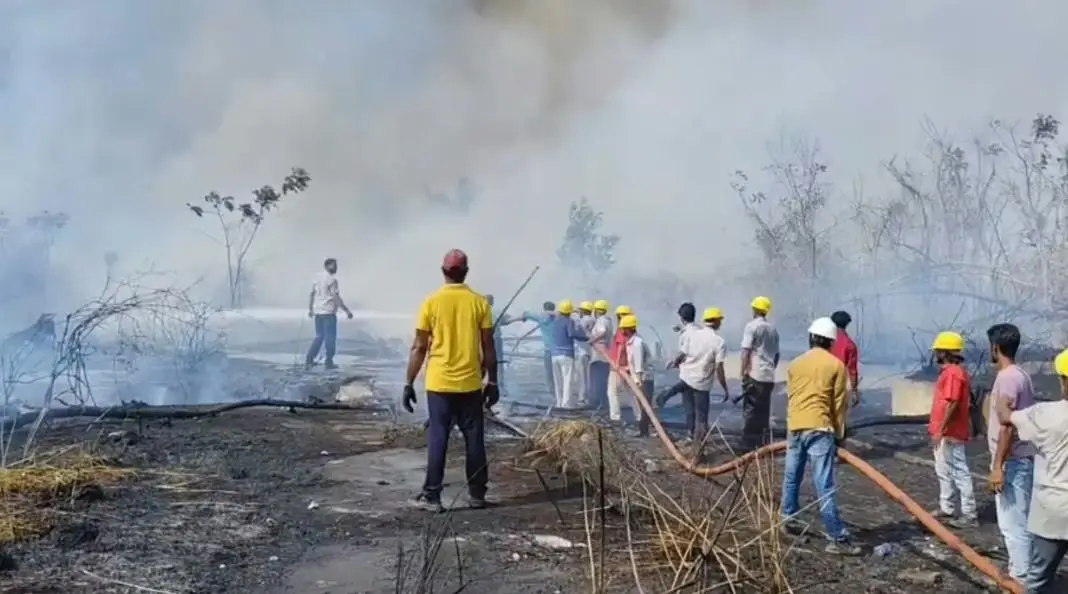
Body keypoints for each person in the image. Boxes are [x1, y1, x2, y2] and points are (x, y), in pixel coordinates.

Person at [401, 249, 498, 512]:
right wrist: (493, 382)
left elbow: (419, 347)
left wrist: (409, 382)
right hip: (470, 383)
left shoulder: (430, 303)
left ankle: (433, 497)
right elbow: (488, 346)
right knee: (474, 438)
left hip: (439, 384)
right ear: (465, 272)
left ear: (443, 271)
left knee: (438, 438)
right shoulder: (480, 303)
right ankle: (477, 494)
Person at [780, 317, 861, 555]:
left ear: (811, 338)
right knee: (824, 484)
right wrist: (840, 435)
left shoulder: (794, 364)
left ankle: (788, 520)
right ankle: (837, 537)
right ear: (831, 342)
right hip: (820, 428)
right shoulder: (836, 366)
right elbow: (838, 406)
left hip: (795, 426)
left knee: (792, 477)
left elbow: (792, 396)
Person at [993, 348, 1068, 593]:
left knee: (1038, 580)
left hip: (1053, 512)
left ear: (1063, 381)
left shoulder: (1045, 414)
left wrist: (1002, 403)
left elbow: (1007, 418)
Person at [986, 323, 1036, 582]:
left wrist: (997, 467)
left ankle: (1021, 581)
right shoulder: (1022, 375)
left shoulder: (1007, 378)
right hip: (1021, 458)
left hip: (1012, 460)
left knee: (1013, 525)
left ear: (996, 347)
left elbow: (1007, 426)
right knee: (1020, 522)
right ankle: (1023, 574)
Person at [657, 304, 727, 455]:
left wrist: (676, 362)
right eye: (720, 320)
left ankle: (690, 434)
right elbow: (719, 368)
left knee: (689, 410)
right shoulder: (719, 342)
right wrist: (725, 387)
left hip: (687, 377)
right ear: (715, 321)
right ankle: (698, 448)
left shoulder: (694, 334)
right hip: (701, 383)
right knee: (701, 416)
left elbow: (684, 349)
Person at [927, 331, 977, 528]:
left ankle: (969, 513)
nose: (936, 354)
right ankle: (947, 507)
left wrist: (941, 429)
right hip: (945, 431)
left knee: (958, 471)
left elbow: (953, 402)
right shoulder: (951, 372)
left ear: (945, 352)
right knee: (943, 470)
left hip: (950, 432)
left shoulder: (954, 374)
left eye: (938, 350)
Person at [740, 296, 780, 450]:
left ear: (754, 310)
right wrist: (770, 369)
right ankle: (762, 443)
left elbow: (745, 352)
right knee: (764, 411)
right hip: (768, 376)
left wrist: (743, 372)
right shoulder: (772, 330)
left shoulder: (751, 327)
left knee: (750, 409)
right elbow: (776, 355)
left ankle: (748, 444)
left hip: (754, 374)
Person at [305, 258, 354, 370]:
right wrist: (346, 310)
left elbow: (312, 294)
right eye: (334, 265)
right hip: (328, 312)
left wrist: (310, 309)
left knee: (319, 336)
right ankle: (329, 361)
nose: (336, 268)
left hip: (318, 312)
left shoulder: (317, 277)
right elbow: (335, 297)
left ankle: (309, 358)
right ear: (327, 266)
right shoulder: (332, 280)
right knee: (330, 337)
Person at [547, 300, 585, 409]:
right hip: (566, 354)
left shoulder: (554, 322)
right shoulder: (569, 321)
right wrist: (585, 337)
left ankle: (558, 403)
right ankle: (566, 404)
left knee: (557, 380)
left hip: (554, 354)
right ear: (569, 312)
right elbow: (572, 334)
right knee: (567, 380)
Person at [619, 314, 653, 437]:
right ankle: (643, 431)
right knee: (641, 406)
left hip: (644, 379)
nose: (621, 331)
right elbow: (633, 363)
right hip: (638, 378)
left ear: (629, 329)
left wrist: (638, 381)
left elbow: (639, 365)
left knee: (644, 407)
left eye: (623, 328)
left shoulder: (637, 343)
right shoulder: (631, 342)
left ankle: (644, 431)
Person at [521, 302, 557, 397]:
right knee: (557, 373)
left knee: (549, 372)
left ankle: (552, 391)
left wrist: (524, 315)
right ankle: (557, 391)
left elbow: (527, 314)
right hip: (558, 351)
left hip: (549, 351)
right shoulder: (557, 317)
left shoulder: (541, 317)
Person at [607, 305, 634, 424]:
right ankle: (639, 416)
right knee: (630, 392)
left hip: (618, 367)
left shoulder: (621, 329)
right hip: (626, 366)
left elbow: (621, 346)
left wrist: (616, 364)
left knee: (612, 392)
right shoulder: (631, 329)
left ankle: (615, 417)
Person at [829, 311, 861, 408]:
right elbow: (852, 370)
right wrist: (854, 391)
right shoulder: (850, 345)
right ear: (847, 324)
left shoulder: (824, 340)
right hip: (837, 386)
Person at [587, 300, 613, 410]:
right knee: (602, 380)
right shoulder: (607, 320)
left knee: (598, 379)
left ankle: (600, 403)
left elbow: (602, 332)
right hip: (603, 355)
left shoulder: (602, 321)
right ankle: (602, 402)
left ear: (596, 311)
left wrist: (592, 340)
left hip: (600, 356)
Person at [574, 301, 596, 407]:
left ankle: (582, 398)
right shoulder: (593, 320)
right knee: (586, 375)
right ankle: (586, 397)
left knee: (582, 376)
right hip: (587, 351)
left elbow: (578, 332)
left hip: (583, 351)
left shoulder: (585, 320)